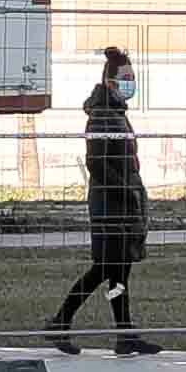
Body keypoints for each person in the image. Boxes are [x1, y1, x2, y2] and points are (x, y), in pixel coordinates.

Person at [44, 47, 157, 351]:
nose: (131, 83)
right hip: (110, 206)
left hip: (124, 204)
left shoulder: (116, 113)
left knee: (118, 274)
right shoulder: (102, 114)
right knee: (104, 270)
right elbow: (96, 162)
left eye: (133, 77)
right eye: (126, 78)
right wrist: (126, 191)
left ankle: (124, 334)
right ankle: (61, 321)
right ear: (110, 81)